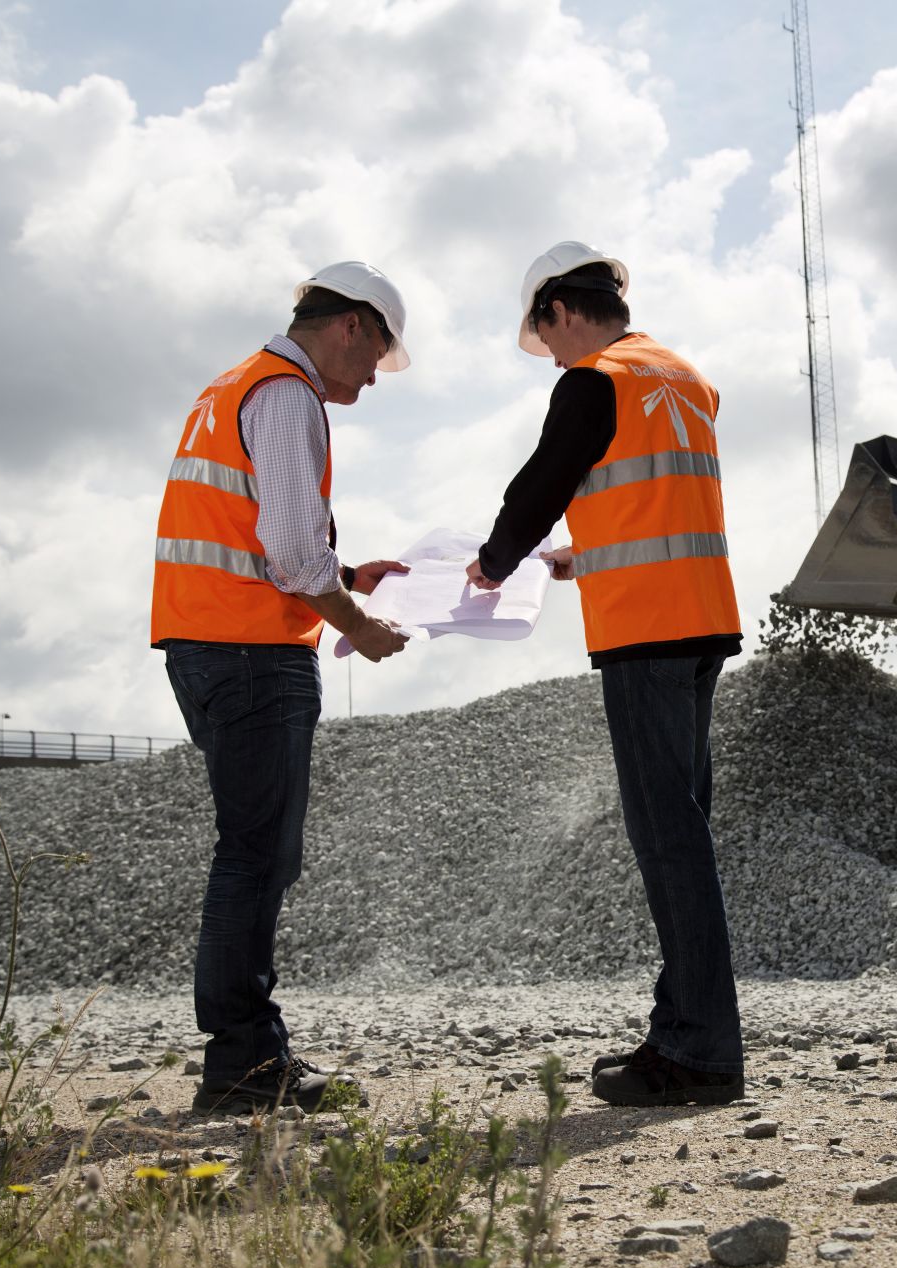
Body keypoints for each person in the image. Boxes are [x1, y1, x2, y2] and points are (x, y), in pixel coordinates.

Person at [468, 241, 746, 1106]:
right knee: (683, 830)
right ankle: (683, 1032)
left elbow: (545, 479)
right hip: (701, 621)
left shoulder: (593, 380)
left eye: (543, 336)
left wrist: (492, 561)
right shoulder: (685, 377)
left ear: (560, 311)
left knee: (669, 839)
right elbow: (661, 504)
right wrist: (583, 559)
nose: (547, 354)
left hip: (645, 637)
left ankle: (699, 1053)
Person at [151, 261, 413, 1113]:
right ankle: (244, 1066)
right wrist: (357, 626)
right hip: (252, 652)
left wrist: (349, 577)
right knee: (257, 854)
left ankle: (243, 1056)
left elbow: (263, 538)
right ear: (351, 327)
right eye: (378, 354)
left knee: (252, 848)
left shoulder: (231, 387)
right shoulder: (287, 395)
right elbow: (291, 554)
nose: (375, 377)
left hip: (206, 643)